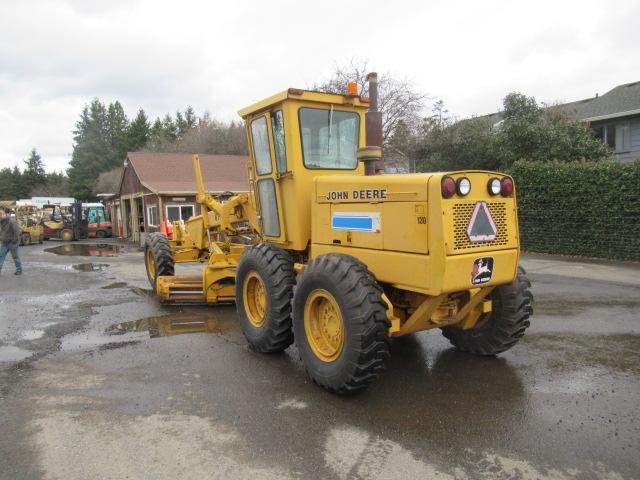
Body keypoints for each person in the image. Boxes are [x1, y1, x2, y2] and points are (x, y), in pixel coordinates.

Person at [0, 209, 23, 275]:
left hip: (12, 243)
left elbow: (17, 232)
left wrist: (14, 241)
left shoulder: (11, 221)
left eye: (0, 217)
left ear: (3, 215)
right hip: (4, 242)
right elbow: (1, 232)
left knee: (15, 257)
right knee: (1, 256)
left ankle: (19, 270)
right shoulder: (1, 222)